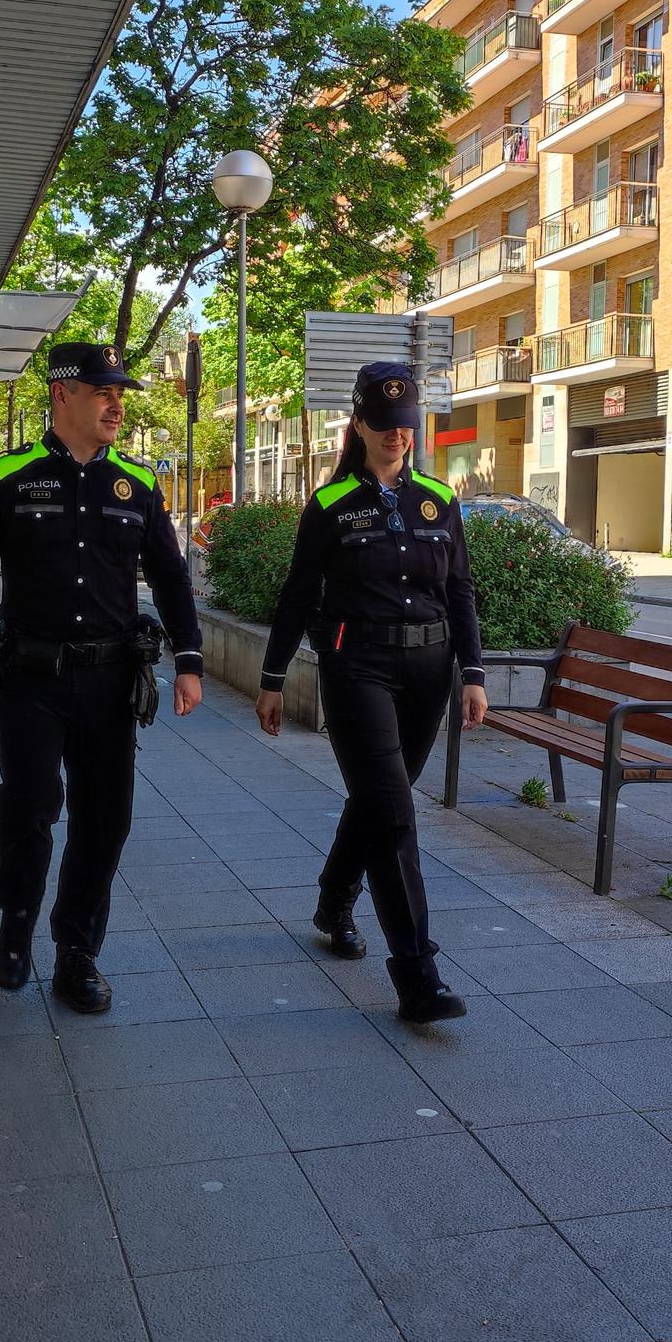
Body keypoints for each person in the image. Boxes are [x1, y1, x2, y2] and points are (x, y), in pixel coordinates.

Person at [0, 343, 205, 1014]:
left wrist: (190, 659)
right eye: (100, 391)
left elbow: (171, 576)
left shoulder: (137, 485)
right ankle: (18, 916)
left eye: (120, 393)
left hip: (112, 682)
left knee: (106, 821)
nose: (116, 404)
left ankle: (77, 954)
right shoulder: (11, 475)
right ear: (62, 395)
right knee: (30, 809)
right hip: (31, 678)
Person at [255, 362, 487, 1023]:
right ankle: (417, 974)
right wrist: (272, 679)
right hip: (356, 668)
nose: (396, 436)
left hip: (428, 673)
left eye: (405, 425)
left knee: (379, 801)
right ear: (358, 424)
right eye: (383, 425)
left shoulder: (439, 501)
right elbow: (298, 596)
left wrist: (473, 673)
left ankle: (334, 899)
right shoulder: (331, 506)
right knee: (394, 816)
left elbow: (460, 592)